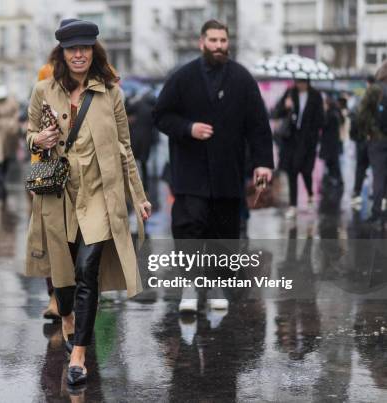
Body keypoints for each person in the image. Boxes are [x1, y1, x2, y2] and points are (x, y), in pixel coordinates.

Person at [24, 19, 151, 386]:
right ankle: (66, 317)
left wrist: (139, 197)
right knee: (62, 280)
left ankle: (79, 353)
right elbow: (29, 133)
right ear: (62, 53)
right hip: (58, 194)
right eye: (71, 48)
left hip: (98, 194)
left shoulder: (110, 92)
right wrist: (39, 140)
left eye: (85, 48)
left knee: (87, 271)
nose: (79, 54)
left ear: (94, 51)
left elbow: (125, 148)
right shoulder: (43, 90)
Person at [152, 19, 273, 312]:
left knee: (223, 233)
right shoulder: (182, 77)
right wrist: (188, 127)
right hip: (189, 170)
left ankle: (217, 285)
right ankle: (190, 288)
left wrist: (263, 163)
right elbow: (161, 115)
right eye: (213, 40)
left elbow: (258, 124)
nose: (219, 46)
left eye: (223, 41)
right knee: (189, 228)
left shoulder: (242, 79)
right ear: (201, 42)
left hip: (227, 171)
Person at [274, 78, 324, 218]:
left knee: (306, 171)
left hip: (308, 141)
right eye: (297, 81)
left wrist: (312, 131)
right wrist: (286, 106)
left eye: (302, 81)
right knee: (292, 172)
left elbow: (321, 119)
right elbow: (277, 113)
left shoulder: (315, 95)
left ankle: (310, 194)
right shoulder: (290, 93)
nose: (299, 84)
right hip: (291, 139)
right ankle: (293, 205)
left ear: (308, 82)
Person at [357, 61, 387, 223]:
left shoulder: (375, 89)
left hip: (377, 140)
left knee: (379, 176)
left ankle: (377, 212)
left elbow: (361, 113)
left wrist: (369, 131)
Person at [350, 75, 376, 207]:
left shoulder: (361, 99)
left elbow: (353, 116)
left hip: (363, 139)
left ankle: (357, 192)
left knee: (361, 167)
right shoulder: (378, 97)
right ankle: (375, 193)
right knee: (376, 168)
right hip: (372, 140)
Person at [319, 94, 344, 187]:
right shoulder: (335, 113)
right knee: (333, 162)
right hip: (333, 143)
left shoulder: (330, 114)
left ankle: (335, 179)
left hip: (329, 143)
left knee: (332, 163)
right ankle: (334, 178)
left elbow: (323, 125)